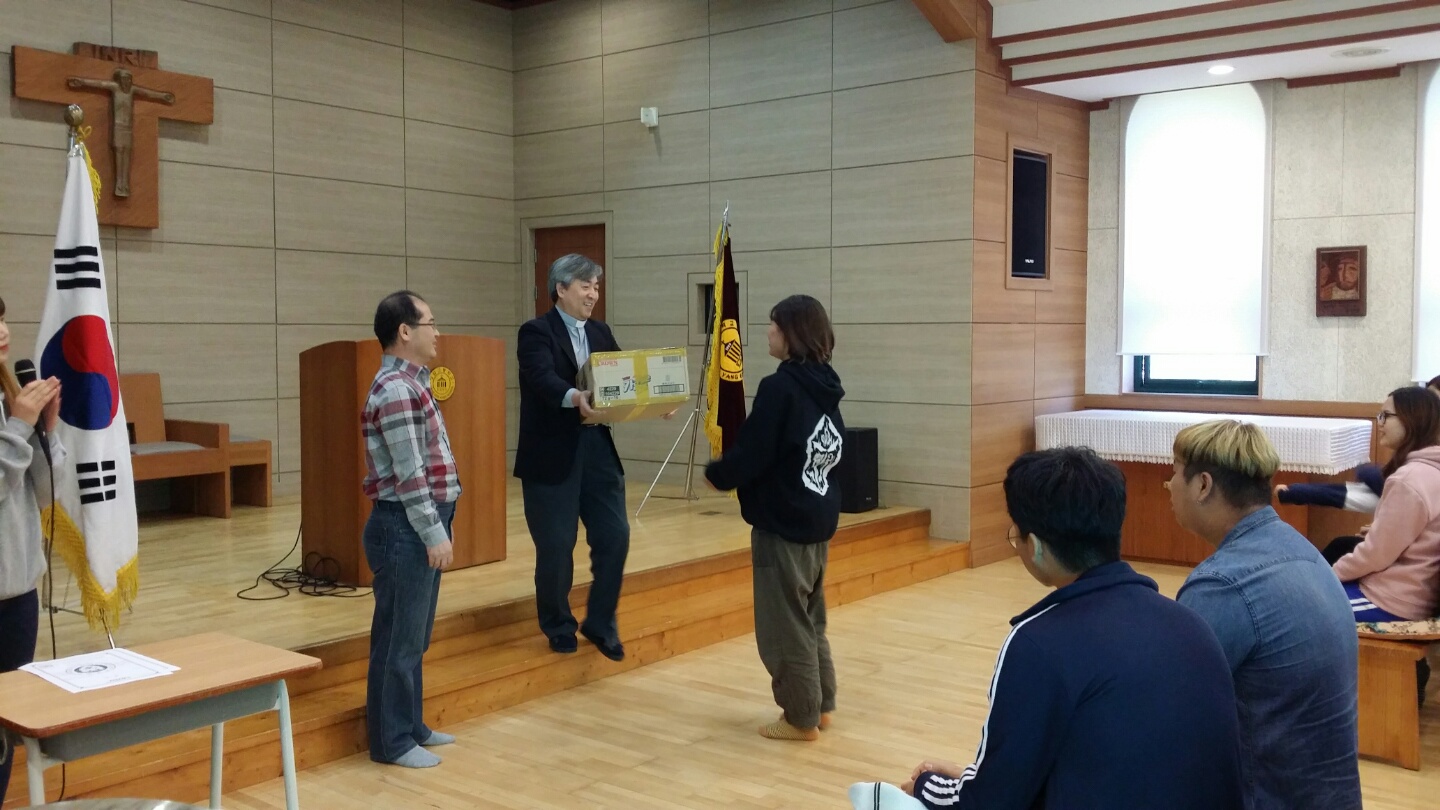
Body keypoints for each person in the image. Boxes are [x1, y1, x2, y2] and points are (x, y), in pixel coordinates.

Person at [855, 447, 1244, 810]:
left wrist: (927, 785)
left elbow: (990, 804)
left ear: (1037, 547)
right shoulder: (1191, 624)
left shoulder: (1038, 644)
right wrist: (973, 778)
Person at [1169, 420, 1361, 810]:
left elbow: (1168, 710)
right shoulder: (1303, 550)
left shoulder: (1222, 584)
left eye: (1174, 471)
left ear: (1203, 485)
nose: (1168, 485)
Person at [705, 295, 845, 742]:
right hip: (815, 519)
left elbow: (754, 451)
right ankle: (819, 706)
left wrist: (718, 475)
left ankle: (800, 719)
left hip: (784, 524)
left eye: (774, 325)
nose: (767, 331)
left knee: (784, 627)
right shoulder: (825, 384)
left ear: (792, 334)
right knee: (810, 619)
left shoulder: (781, 387)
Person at [361, 290, 460, 769]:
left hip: (415, 521)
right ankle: (391, 741)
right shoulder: (397, 390)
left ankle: (411, 725)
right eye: (430, 323)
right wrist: (432, 531)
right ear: (405, 331)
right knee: (398, 641)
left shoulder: (412, 383)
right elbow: (409, 474)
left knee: (414, 637)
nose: (437, 332)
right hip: (405, 524)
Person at [515, 254, 631, 661]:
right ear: (561, 289)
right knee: (556, 545)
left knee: (615, 535)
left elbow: (623, 374)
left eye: (596, 287)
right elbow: (541, 377)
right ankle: (558, 623)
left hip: (596, 447)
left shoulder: (600, 331)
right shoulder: (535, 332)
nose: (593, 294)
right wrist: (574, 396)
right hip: (551, 453)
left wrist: (651, 398)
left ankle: (601, 621)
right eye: (585, 286)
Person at [0, 295, 64, 804]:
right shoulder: (12, 412)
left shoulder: (8, 395)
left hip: (18, 594)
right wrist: (20, 427)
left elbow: (43, 493)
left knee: (4, 733)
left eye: (2, 319)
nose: (3, 331)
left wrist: (46, 432)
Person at [1329, 386, 1440, 623]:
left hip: (1391, 600)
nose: (1379, 423)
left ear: (1411, 419)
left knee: (1301, 607)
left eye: (1386, 416)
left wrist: (1328, 575)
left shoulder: (1409, 479)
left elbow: (1375, 555)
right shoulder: (1431, 470)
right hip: (1413, 594)